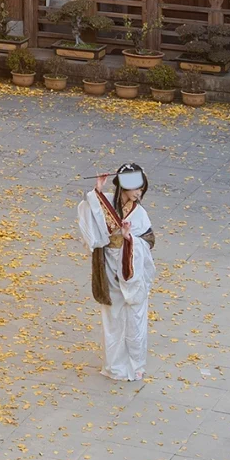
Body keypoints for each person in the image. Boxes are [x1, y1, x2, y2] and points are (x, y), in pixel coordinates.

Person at [76, 162, 156, 381]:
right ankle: (114, 365)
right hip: (108, 263)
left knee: (134, 316)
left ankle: (135, 364)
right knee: (112, 315)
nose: (139, 193)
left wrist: (130, 239)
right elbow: (93, 216)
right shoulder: (108, 200)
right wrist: (97, 190)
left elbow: (149, 240)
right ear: (123, 187)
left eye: (141, 189)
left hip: (129, 264)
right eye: (135, 188)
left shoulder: (140, 213)